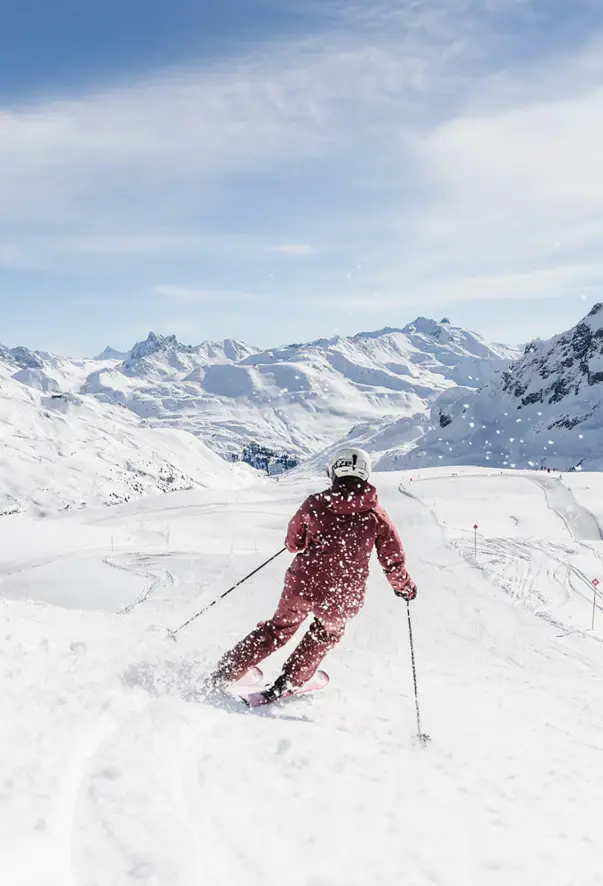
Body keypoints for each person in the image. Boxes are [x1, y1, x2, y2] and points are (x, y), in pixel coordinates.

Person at [208, 447, 417, 701]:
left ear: (334, 472)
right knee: (326, 633)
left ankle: (227, 670)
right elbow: (392, 559)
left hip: (303, 583)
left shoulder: (315, 504)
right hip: (343, 594)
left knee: (277, 630)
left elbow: (294, 542)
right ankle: (289, 681)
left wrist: (309, 539)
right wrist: (403, 587)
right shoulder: (376, 515)